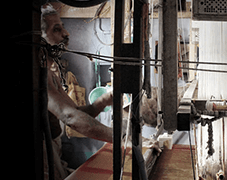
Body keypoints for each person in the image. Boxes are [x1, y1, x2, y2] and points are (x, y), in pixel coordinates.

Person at [41, 4, 158, 179]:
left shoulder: (52, 76)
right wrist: (122, 138)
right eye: (57, 29)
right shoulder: (38, 76)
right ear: (39, 38)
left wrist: (104, 100)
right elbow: (70, 118)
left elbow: (77, 112)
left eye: (63, 27)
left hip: (53, 150)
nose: (66, 34)